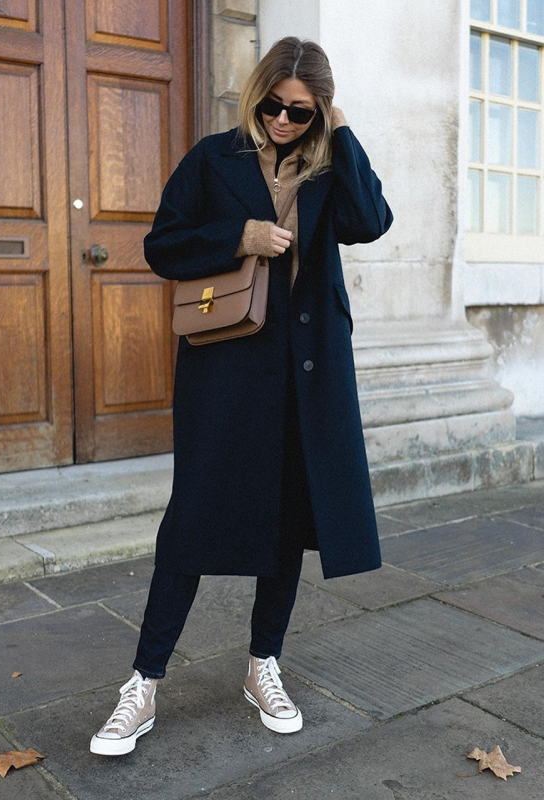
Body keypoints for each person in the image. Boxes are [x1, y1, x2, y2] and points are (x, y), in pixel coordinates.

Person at [90, 36, 393, 757]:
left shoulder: (326, 165)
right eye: (273, 105)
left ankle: (264, 665)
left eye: (301, 112)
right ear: (256, 95)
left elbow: (370, 222)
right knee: (193, 518)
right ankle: (143, 683)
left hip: (306, 372)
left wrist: (342, 130)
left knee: (288, 519)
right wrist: (242, 236)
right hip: (224, 367)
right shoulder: (212, 158)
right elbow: (164, 245)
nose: (284, 121)